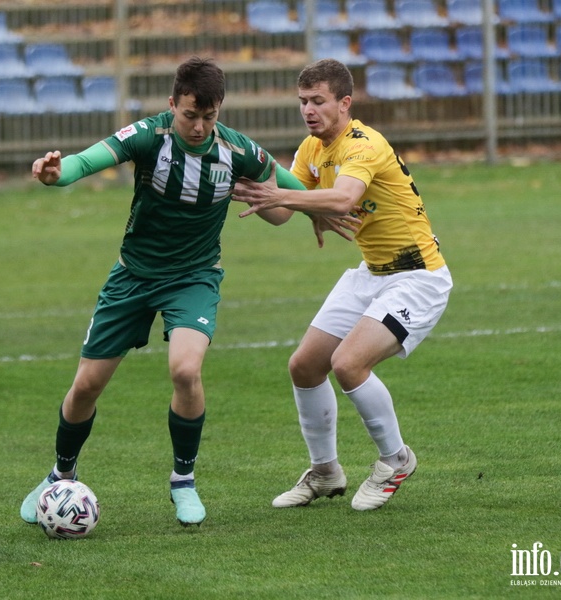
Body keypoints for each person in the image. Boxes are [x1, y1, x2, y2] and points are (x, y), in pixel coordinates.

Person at [20, 57, 349, 528]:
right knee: (87, 386)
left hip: (193, 279)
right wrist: (57, 173)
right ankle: (60, 473)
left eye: (209, 117)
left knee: (186, 369)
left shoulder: (236, 150)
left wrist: (312, 207)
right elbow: (88, 160)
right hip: (132, 276)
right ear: (173, 104)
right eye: (190, 115)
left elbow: (282, 179)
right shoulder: (148, 136)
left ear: (220, 111)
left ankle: (183, 481)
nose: (198, 127)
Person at [231, 58, 452, 511]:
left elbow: (345, 197)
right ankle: (325, 472)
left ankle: (396, 460)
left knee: (349, 364)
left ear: (344, 103)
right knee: (305, 366)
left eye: (318, 101)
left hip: (417, 276)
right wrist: (252, 184)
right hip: (371, 274)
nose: (308, 110)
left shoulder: (364, 144)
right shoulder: (312, 149)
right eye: (303, 102)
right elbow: (281, 212)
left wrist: (295, 198)